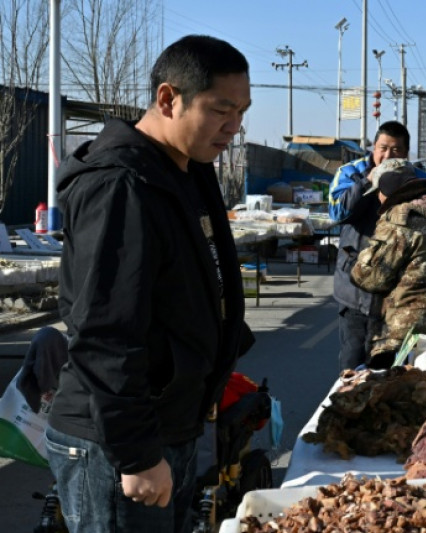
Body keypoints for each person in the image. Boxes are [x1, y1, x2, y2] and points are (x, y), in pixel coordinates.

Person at [46, 35, 254, 533]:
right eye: (221, 110)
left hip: (169, 425)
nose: (234, 126)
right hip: (115, 443)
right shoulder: (121, 185)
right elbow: (104, 332)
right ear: (168, 98)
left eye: (242, 111)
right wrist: (137, 455)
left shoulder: (184, 170)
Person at [328, 121, 426, 372]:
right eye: (382, 148)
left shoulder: (421, 181)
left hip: (398, 296)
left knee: (388, 370)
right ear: (373, 148)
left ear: (406, 153)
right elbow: (338, 213)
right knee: (351, 366)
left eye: (395, 150)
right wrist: (368, 183)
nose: (387, 156)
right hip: (354, 289)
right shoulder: (350, 172)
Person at [350, 158, 426, 368]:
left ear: (387, 190)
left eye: (378, 192)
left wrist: (358, 260)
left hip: (406, 333)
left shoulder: (400, 218)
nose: (378, 198)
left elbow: (371, 278)